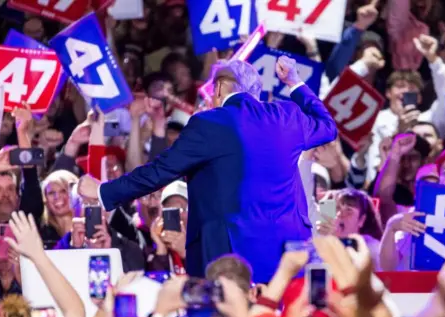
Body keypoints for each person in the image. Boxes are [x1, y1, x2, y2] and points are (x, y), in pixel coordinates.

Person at [77, 56, 337, 282]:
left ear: (221, 87)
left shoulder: (209, 122)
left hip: (230, 254)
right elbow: (327, 126)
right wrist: (295, 82)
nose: (211, 98)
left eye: (212, 91)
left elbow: (160, 171)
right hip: (286, 252)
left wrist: (104, 191)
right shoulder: (287, 116)